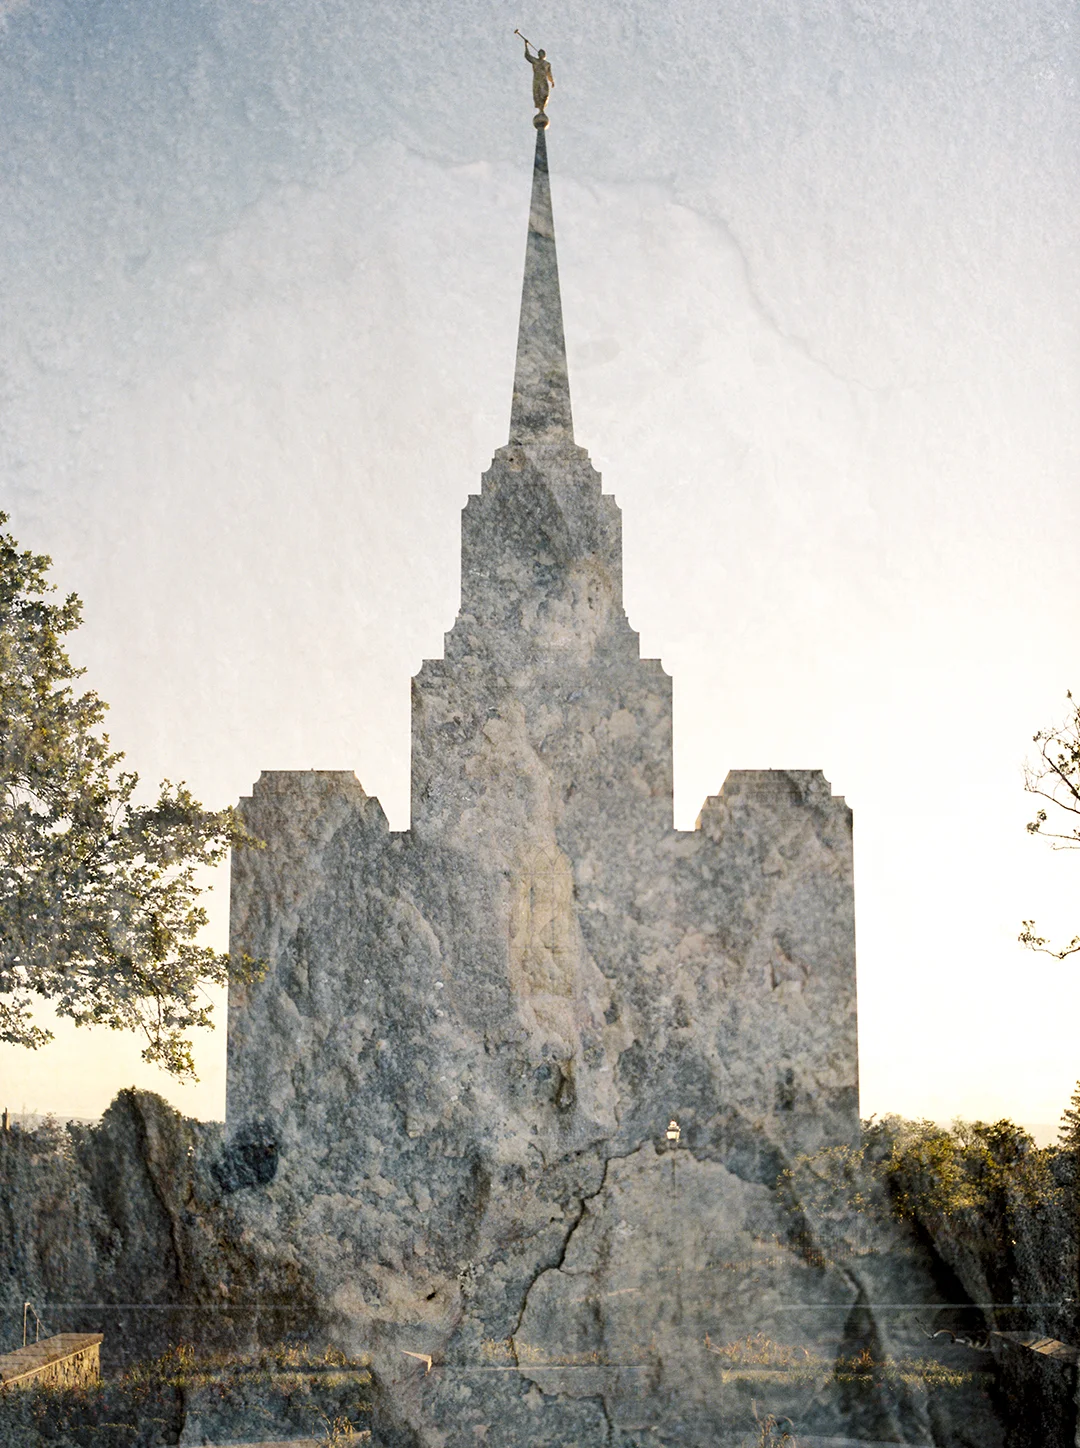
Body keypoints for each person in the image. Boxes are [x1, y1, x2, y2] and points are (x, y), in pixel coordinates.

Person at [523, 40, 554, 113]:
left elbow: (549, 73)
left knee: (545, 94)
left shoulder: (547, 64)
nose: (541, 54)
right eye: (540, 53)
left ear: (544, 55)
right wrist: (526, 46)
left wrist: (552, 81)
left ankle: (542, 107)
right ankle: (540, 108)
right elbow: (527, 56)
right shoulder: (535, 61)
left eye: (542, 53)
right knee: (537, 93)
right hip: (537, 79)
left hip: (543, 79)